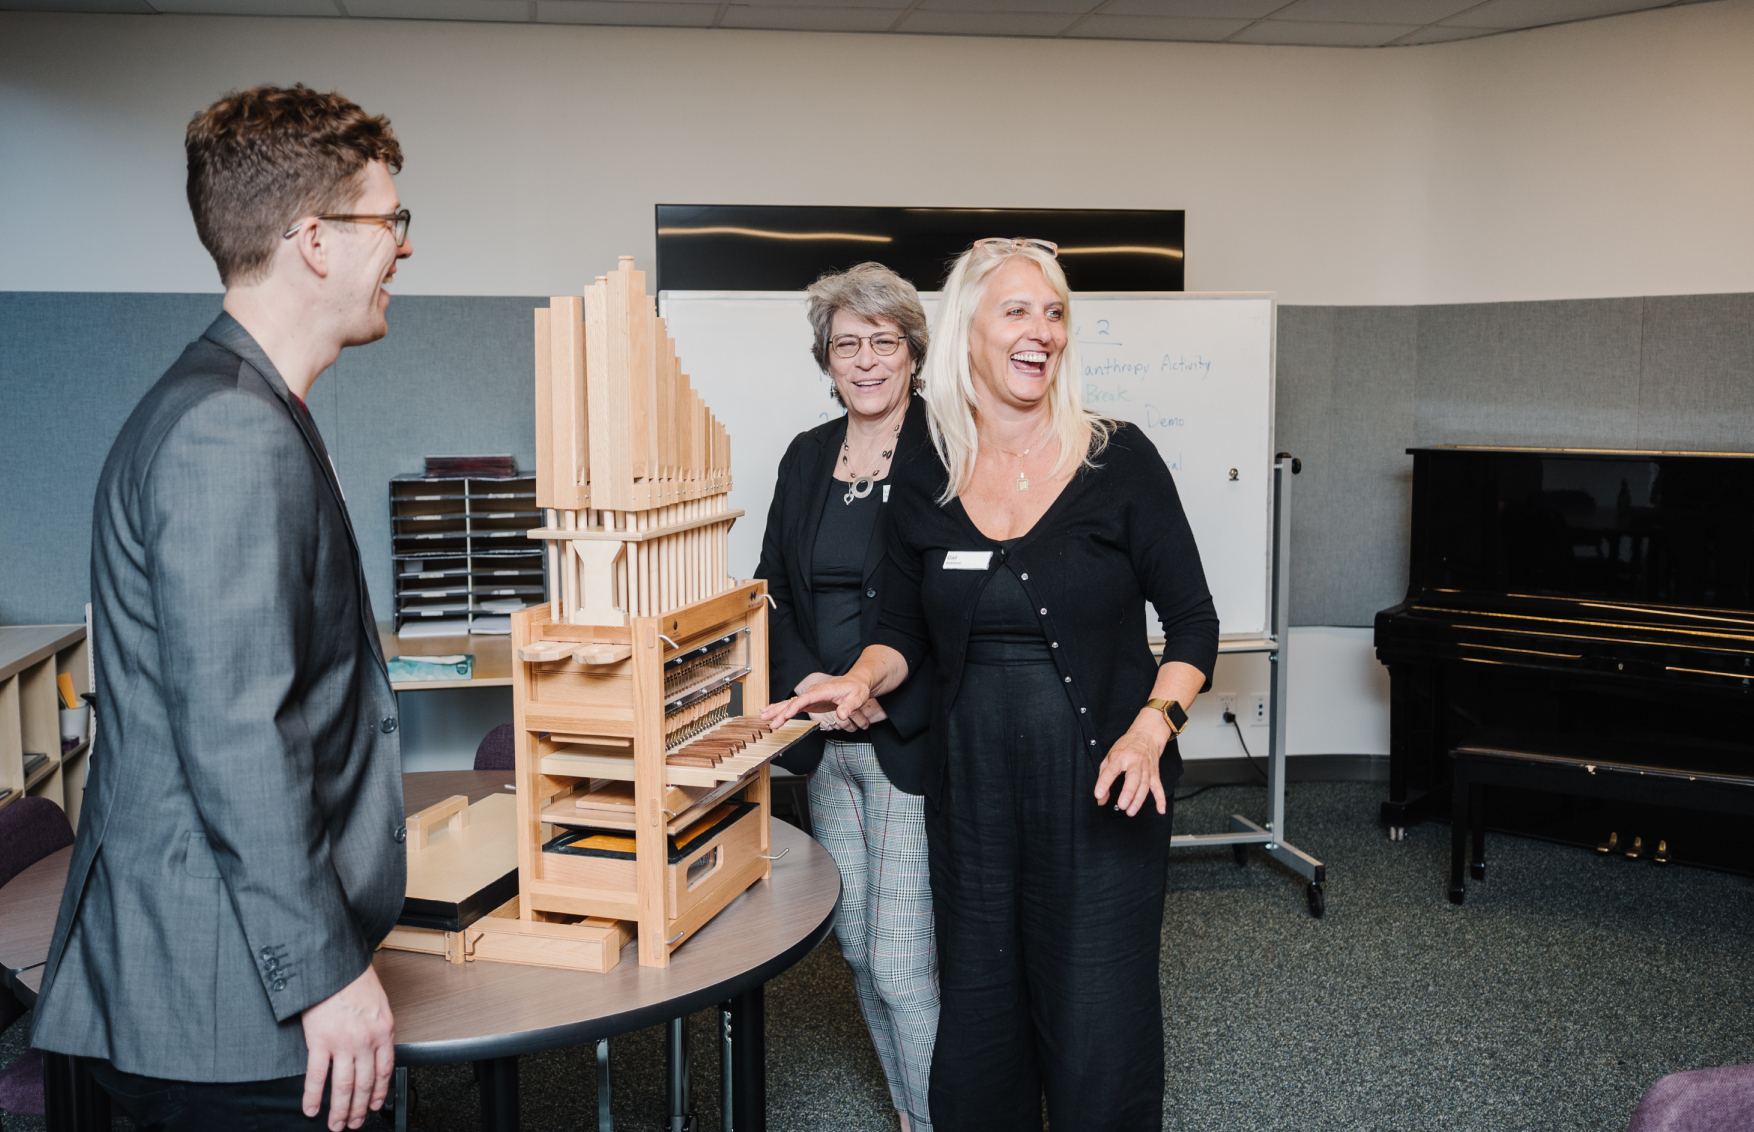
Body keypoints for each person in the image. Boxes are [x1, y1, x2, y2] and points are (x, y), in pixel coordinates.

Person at [764, 238, 1220, 1131]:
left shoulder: (1119, 459)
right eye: (1016, 311)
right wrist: (854, 680)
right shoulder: (926, 470)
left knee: (1095, 1024)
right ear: (968, 331)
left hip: (1099, 790)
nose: (1039, 332)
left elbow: (1194, 624)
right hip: (972, 798)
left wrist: (1150, 727)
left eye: (1053, 313)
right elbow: (899, 631)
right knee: (982, 1019)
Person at [32, 85, 414, 1132]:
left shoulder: (237, 404)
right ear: (315, 240)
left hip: (222, 971)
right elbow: (238, 736)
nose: (406, 249)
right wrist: (325, 975)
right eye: (391, 220)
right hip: (227, 992)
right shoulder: (226, 430)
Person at [756, 263, 940, 1132]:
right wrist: (813, 687)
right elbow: (771, 593)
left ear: (912, 352)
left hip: (910, 734)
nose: (864, 361)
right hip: (824, 740)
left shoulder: (950, 453)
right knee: (860, 948)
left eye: (882, 342)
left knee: (904, 962)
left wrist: (871, 682)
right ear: (825, 359)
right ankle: (909, 1112)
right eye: (845, 344)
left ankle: (937, 1117)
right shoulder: (803, 456)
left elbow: (959, 602)